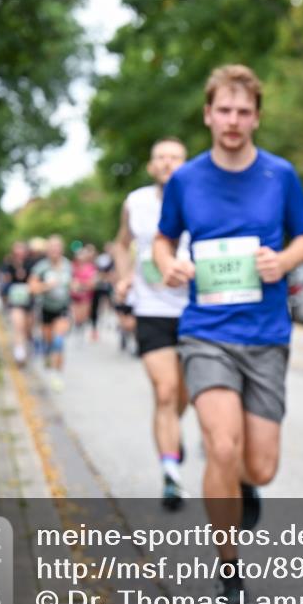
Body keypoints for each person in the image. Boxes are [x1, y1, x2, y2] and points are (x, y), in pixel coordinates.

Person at [154, 64, 303, 604]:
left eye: (243, 111)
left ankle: (241, 482)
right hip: (206, 332)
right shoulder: (186, 179)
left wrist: (284, 260)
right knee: (221, 445)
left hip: (267, 333)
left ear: (256, 117)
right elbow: (161, 241)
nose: (233, 120)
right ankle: (230, 570)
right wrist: (168, 267)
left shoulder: (280, 175)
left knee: (260, 465)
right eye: (223, 110)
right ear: (207, 114)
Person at [114, 137, 193, 511]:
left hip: (196, 310)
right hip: (151, 308)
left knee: (185, 395)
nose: (167, 163)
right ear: (151, 166)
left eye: (175, 157)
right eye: (160, 157)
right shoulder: (136, 202)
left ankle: (172, 436)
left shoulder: (200, 196)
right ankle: (171, 475)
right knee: (164, 392)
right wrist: (125, 275)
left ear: (186, 164)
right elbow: (120, 244)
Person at [29, 235, 73, 391]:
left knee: (59, 341)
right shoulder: (41, 267)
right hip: (46, 309)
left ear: (61, 249)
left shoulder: (68, 265)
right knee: (49, 342)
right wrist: (47, 285)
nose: (55, 250)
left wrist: (77, 286)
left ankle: (57, 376)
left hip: (63, 308)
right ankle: (48, 357)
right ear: (47, 250)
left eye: (57, 247)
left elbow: (72, 284)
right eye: (52, 247)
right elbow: (32, 288)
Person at [1, 241, 35, 366]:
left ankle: (29, 345)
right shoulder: (9, 264)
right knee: (18, 326)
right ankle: (19, 353)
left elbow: (35, 280)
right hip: (15, 300)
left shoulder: (31, 264)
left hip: (29, 300)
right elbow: (5, 281)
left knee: (27, 327)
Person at [70, 245, 97, 335]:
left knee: (83, 317)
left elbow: (92, 284)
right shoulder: (73, 266)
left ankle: (82, 331)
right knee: (76, 317)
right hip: (74, 296)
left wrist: (80, 285)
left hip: (86, 297)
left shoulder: (91, 267)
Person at [90, 242, 114, 342]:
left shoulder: (114, 259)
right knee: (95, 306)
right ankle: (95, 328)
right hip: (99, 286)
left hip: (109, 285)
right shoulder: (101, 259)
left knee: (111, 304)